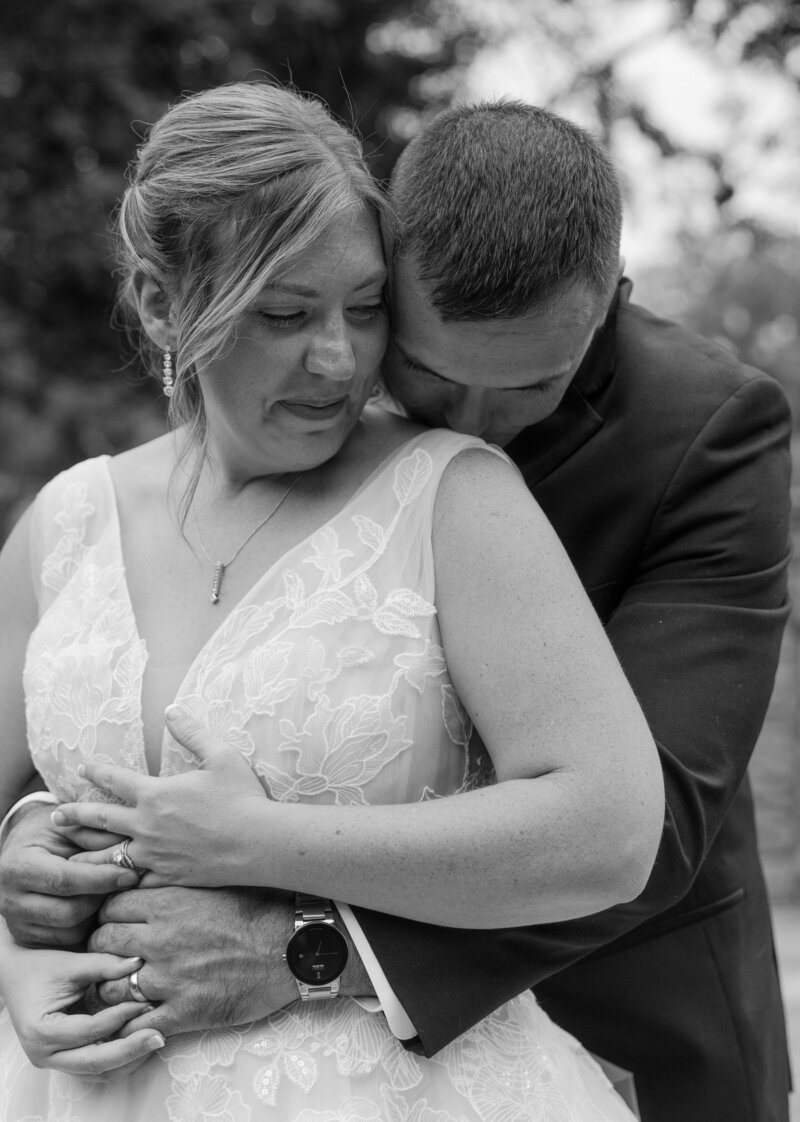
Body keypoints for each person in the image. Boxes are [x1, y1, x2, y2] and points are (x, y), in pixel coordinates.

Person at [0, 96, 790, 1122]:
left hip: (612, 1004)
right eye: (415, 359)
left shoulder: (685, 439)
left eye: (355, 314)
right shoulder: (86, 512)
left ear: (604, 308)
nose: (455, 423)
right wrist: (27, 901)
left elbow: (641, 822)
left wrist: (300, 939)